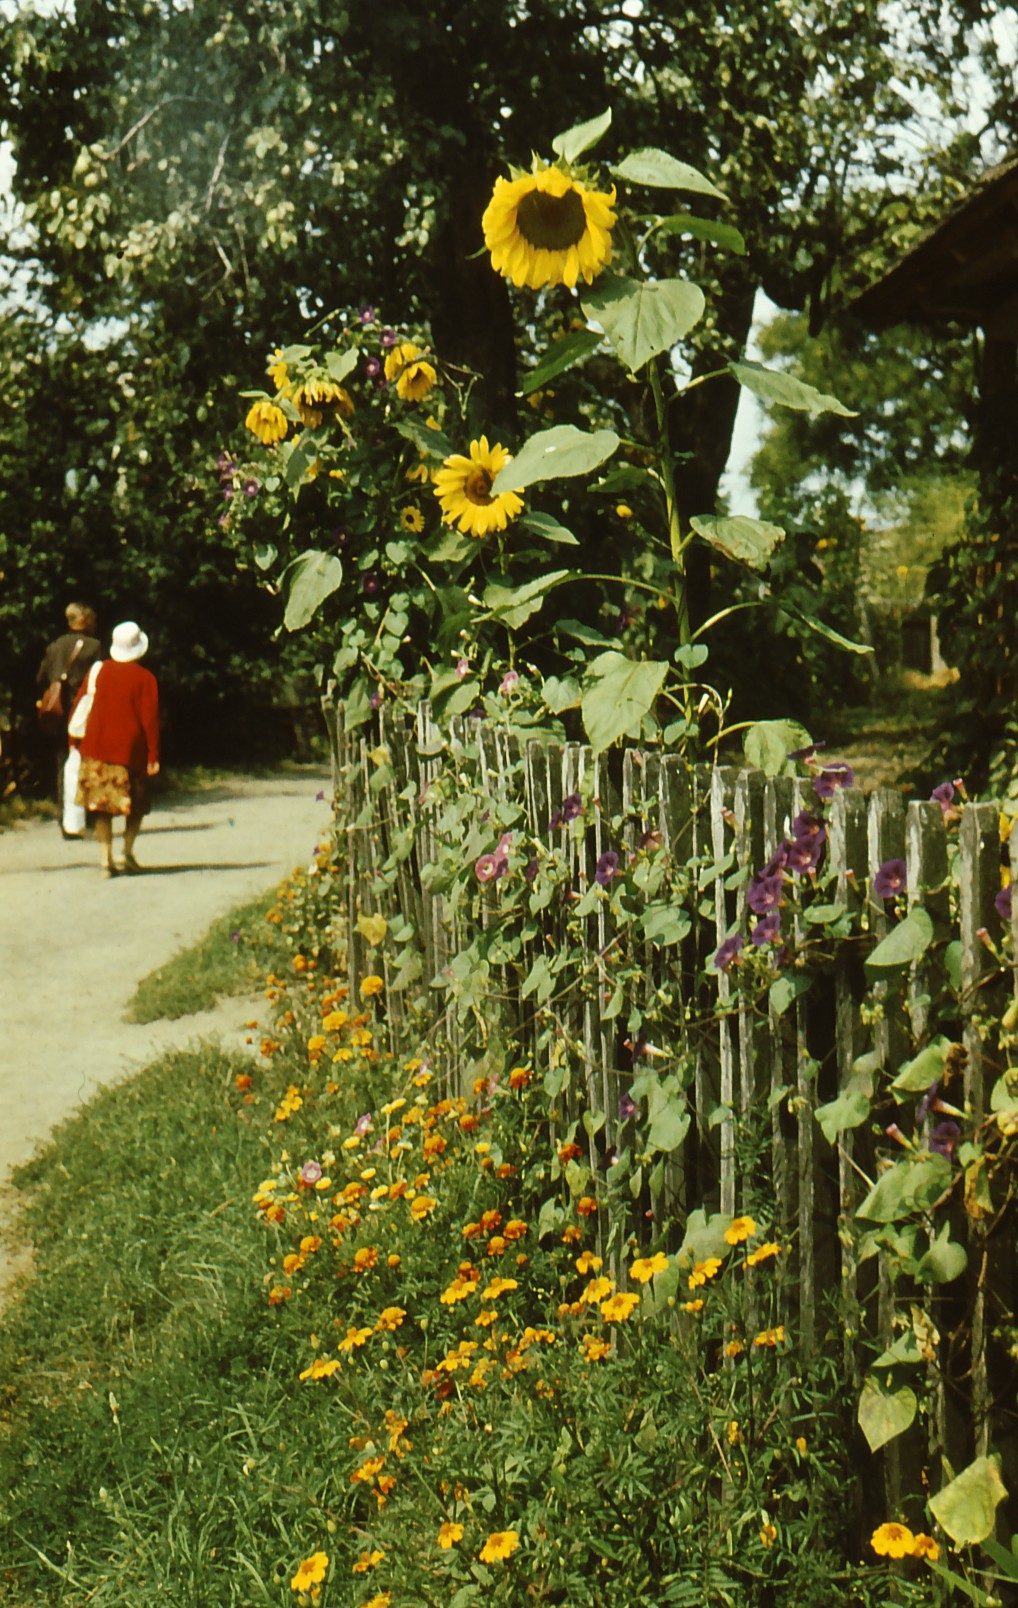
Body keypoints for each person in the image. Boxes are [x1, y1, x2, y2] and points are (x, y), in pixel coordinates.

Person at [71, 620, 160, 877]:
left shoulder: (98, 670)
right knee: (136, 805)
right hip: (131, 753)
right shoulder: (146, 679)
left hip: (97, 749)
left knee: (102, 807)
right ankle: (127, 852)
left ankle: (104, 859)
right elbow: (150, 720)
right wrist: (153, 754)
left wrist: (74, 742)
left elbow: (80, 706)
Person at [36, 601, 102, 836]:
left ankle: (65, 818)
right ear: (83, 620)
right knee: (89, 762)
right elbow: (99, 681)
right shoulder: (94, 647)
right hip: (84, 713)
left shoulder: (55, 646)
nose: (95, 622)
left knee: (62, 763)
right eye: (92, 618)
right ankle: (90, 816)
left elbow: (41, 677)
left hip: (58, 715)